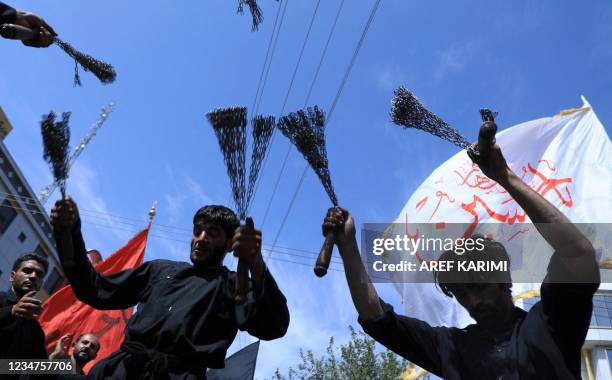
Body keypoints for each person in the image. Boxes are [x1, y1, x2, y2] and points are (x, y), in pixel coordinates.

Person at [323, 132, 600, 378]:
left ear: (504, 279)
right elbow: (377, 318)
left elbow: (577, 253)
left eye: (478, 286)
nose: (473, 301)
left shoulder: (552, 321)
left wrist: (506, 177)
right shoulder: (451, 348)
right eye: (462, 294)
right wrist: (348, 246)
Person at [51, 198, 290, 380]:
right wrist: (69, 232)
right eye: (198, 230)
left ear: (230, 244)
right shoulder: (159, 270)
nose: (201, 238)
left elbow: (273, 326)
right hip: (121, 370)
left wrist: (256, 264)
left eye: (212, 234)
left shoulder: (233, 286)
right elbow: (94, 289)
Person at [0, 253, 49, 361]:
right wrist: (11, 311)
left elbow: (40, 370)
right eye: (27, 271)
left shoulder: (35, 330)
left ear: (40, 284)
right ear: (12, 276)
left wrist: (72, 364)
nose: (33, 276)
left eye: (39, 274)